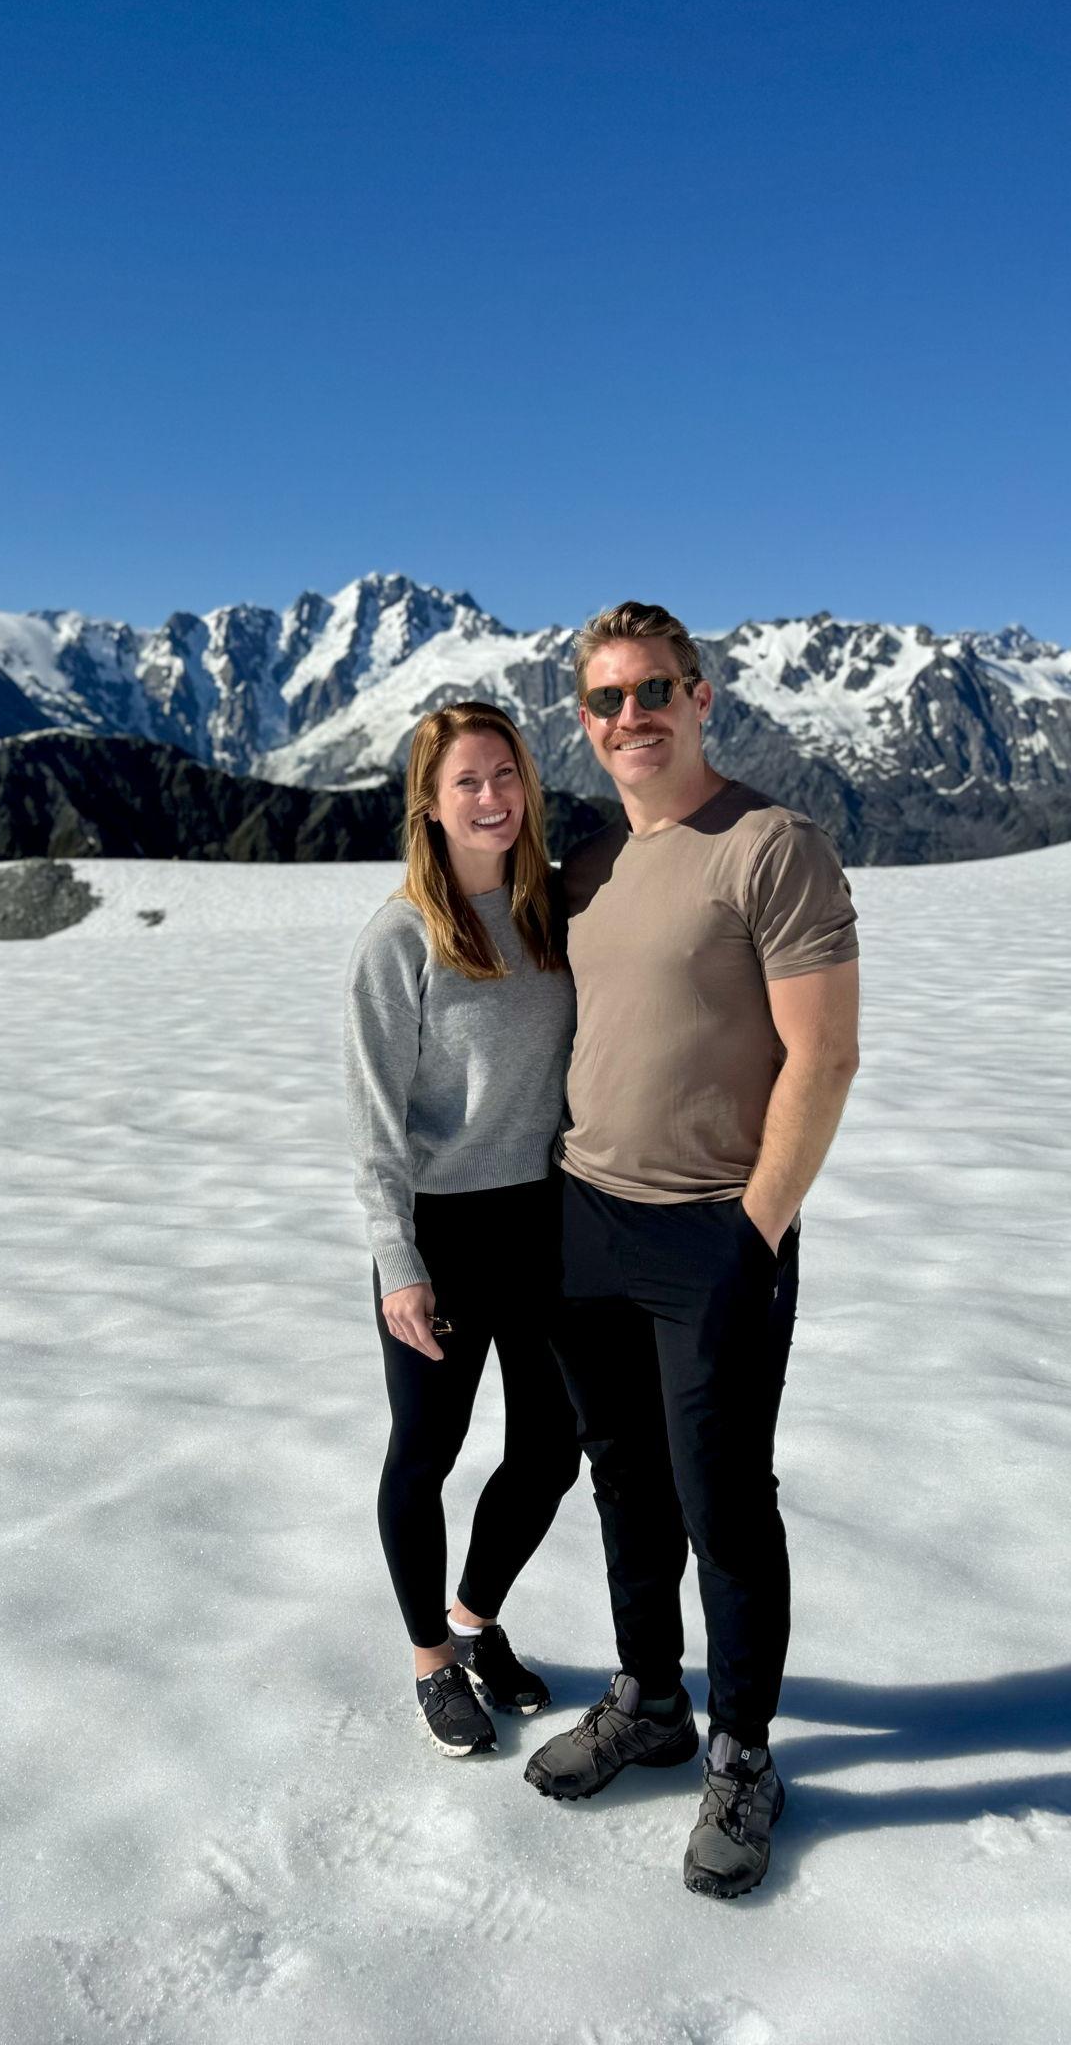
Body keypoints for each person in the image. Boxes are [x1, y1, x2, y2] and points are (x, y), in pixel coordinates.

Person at [523, 602, 860, 1900]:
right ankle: (647, 1700)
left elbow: (821, 1055)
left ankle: (740, 1752)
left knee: (720, 1498)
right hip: (584, 1223)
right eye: (603, 700)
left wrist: (752, 1230)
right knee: (621, 1482)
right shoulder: (595, 860)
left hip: (712, 1234)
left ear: (698, 695)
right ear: (583, 718)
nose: (628, 718)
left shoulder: (770, 848)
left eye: (651, 691)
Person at [344, 700, 581, 1759]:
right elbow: (373, 1126)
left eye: (504, 776)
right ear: (428, 809)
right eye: (465, 784)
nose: (490, 798)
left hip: (547, 1225)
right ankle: (430, 1658)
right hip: (440, 1236)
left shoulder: (549, 912)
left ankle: (476, 1622)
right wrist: (398, 1262)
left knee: (549, 1449)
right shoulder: (401, 940)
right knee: (425, 1454)